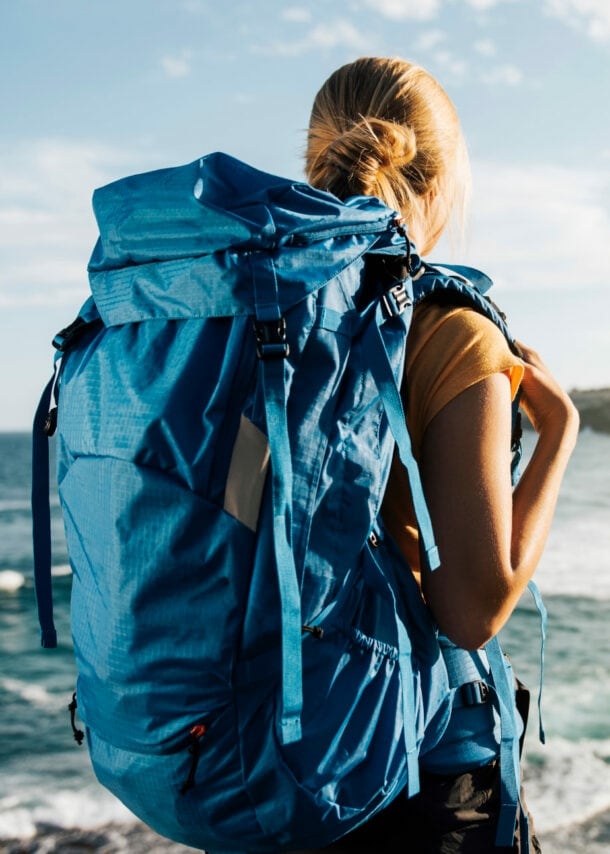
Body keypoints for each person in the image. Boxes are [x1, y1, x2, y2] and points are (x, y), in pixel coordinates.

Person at [301, 56, 579, 853]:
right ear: (446, 175)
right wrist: (557, 438)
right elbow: (470, 611)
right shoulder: (449, 329)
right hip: (406, 767)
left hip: (270, 749)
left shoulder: (266, 319)